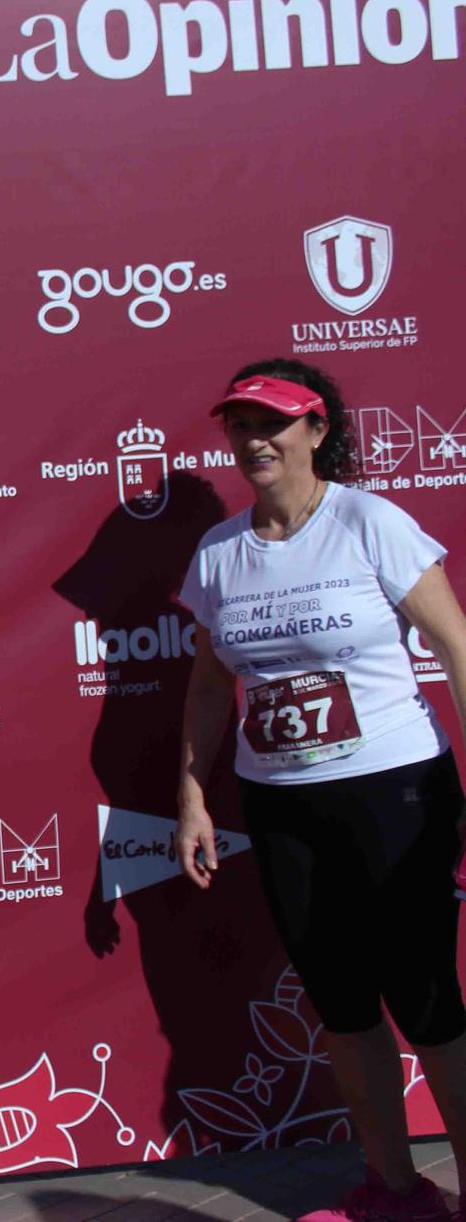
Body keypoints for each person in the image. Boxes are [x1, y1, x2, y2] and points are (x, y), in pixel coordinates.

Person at [175, 359, 466, 1221]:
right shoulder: (220, 552)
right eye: (239, 424)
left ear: (316, 429)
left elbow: (457, 647)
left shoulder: (370, 522)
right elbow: (204, 685)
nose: (253, 440)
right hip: (284, 804)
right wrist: (192, 796)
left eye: (272, 423)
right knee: (341, 1000)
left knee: (426, 998)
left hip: (395, 789)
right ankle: (394, 1188)